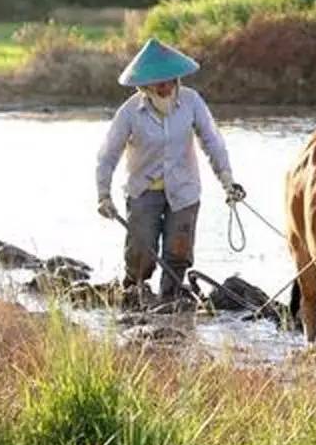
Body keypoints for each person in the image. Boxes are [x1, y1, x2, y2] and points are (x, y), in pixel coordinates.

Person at [96, 38, 245, 298]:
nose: (164, 86)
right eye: (158, 82)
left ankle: (171, 304)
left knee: (178, 254)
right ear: (144, 84)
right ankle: (133, 295)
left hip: (184, 191)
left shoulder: (191, 102)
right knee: (141, 255)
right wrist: (103, 195)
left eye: (169, 81)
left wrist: (227, 180)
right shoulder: (130, 112)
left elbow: (212, 141)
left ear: (177, 79)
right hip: (143, 191)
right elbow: (108, 154)